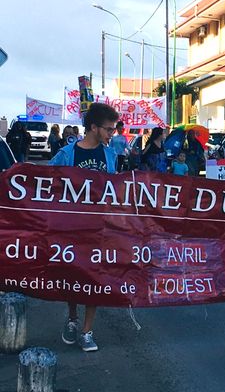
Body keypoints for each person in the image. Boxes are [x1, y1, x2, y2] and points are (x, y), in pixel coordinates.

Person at [49, 102, 119, 351]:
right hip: (71, 226)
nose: (113, 134)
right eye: (109, 129)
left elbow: (116, 189)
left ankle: (87, 331)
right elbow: (47, 182)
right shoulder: (67, 154)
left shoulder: (110, 155)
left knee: (94, 277)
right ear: (93, 127)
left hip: (99, 226)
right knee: (72, 276)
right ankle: (72, 317)